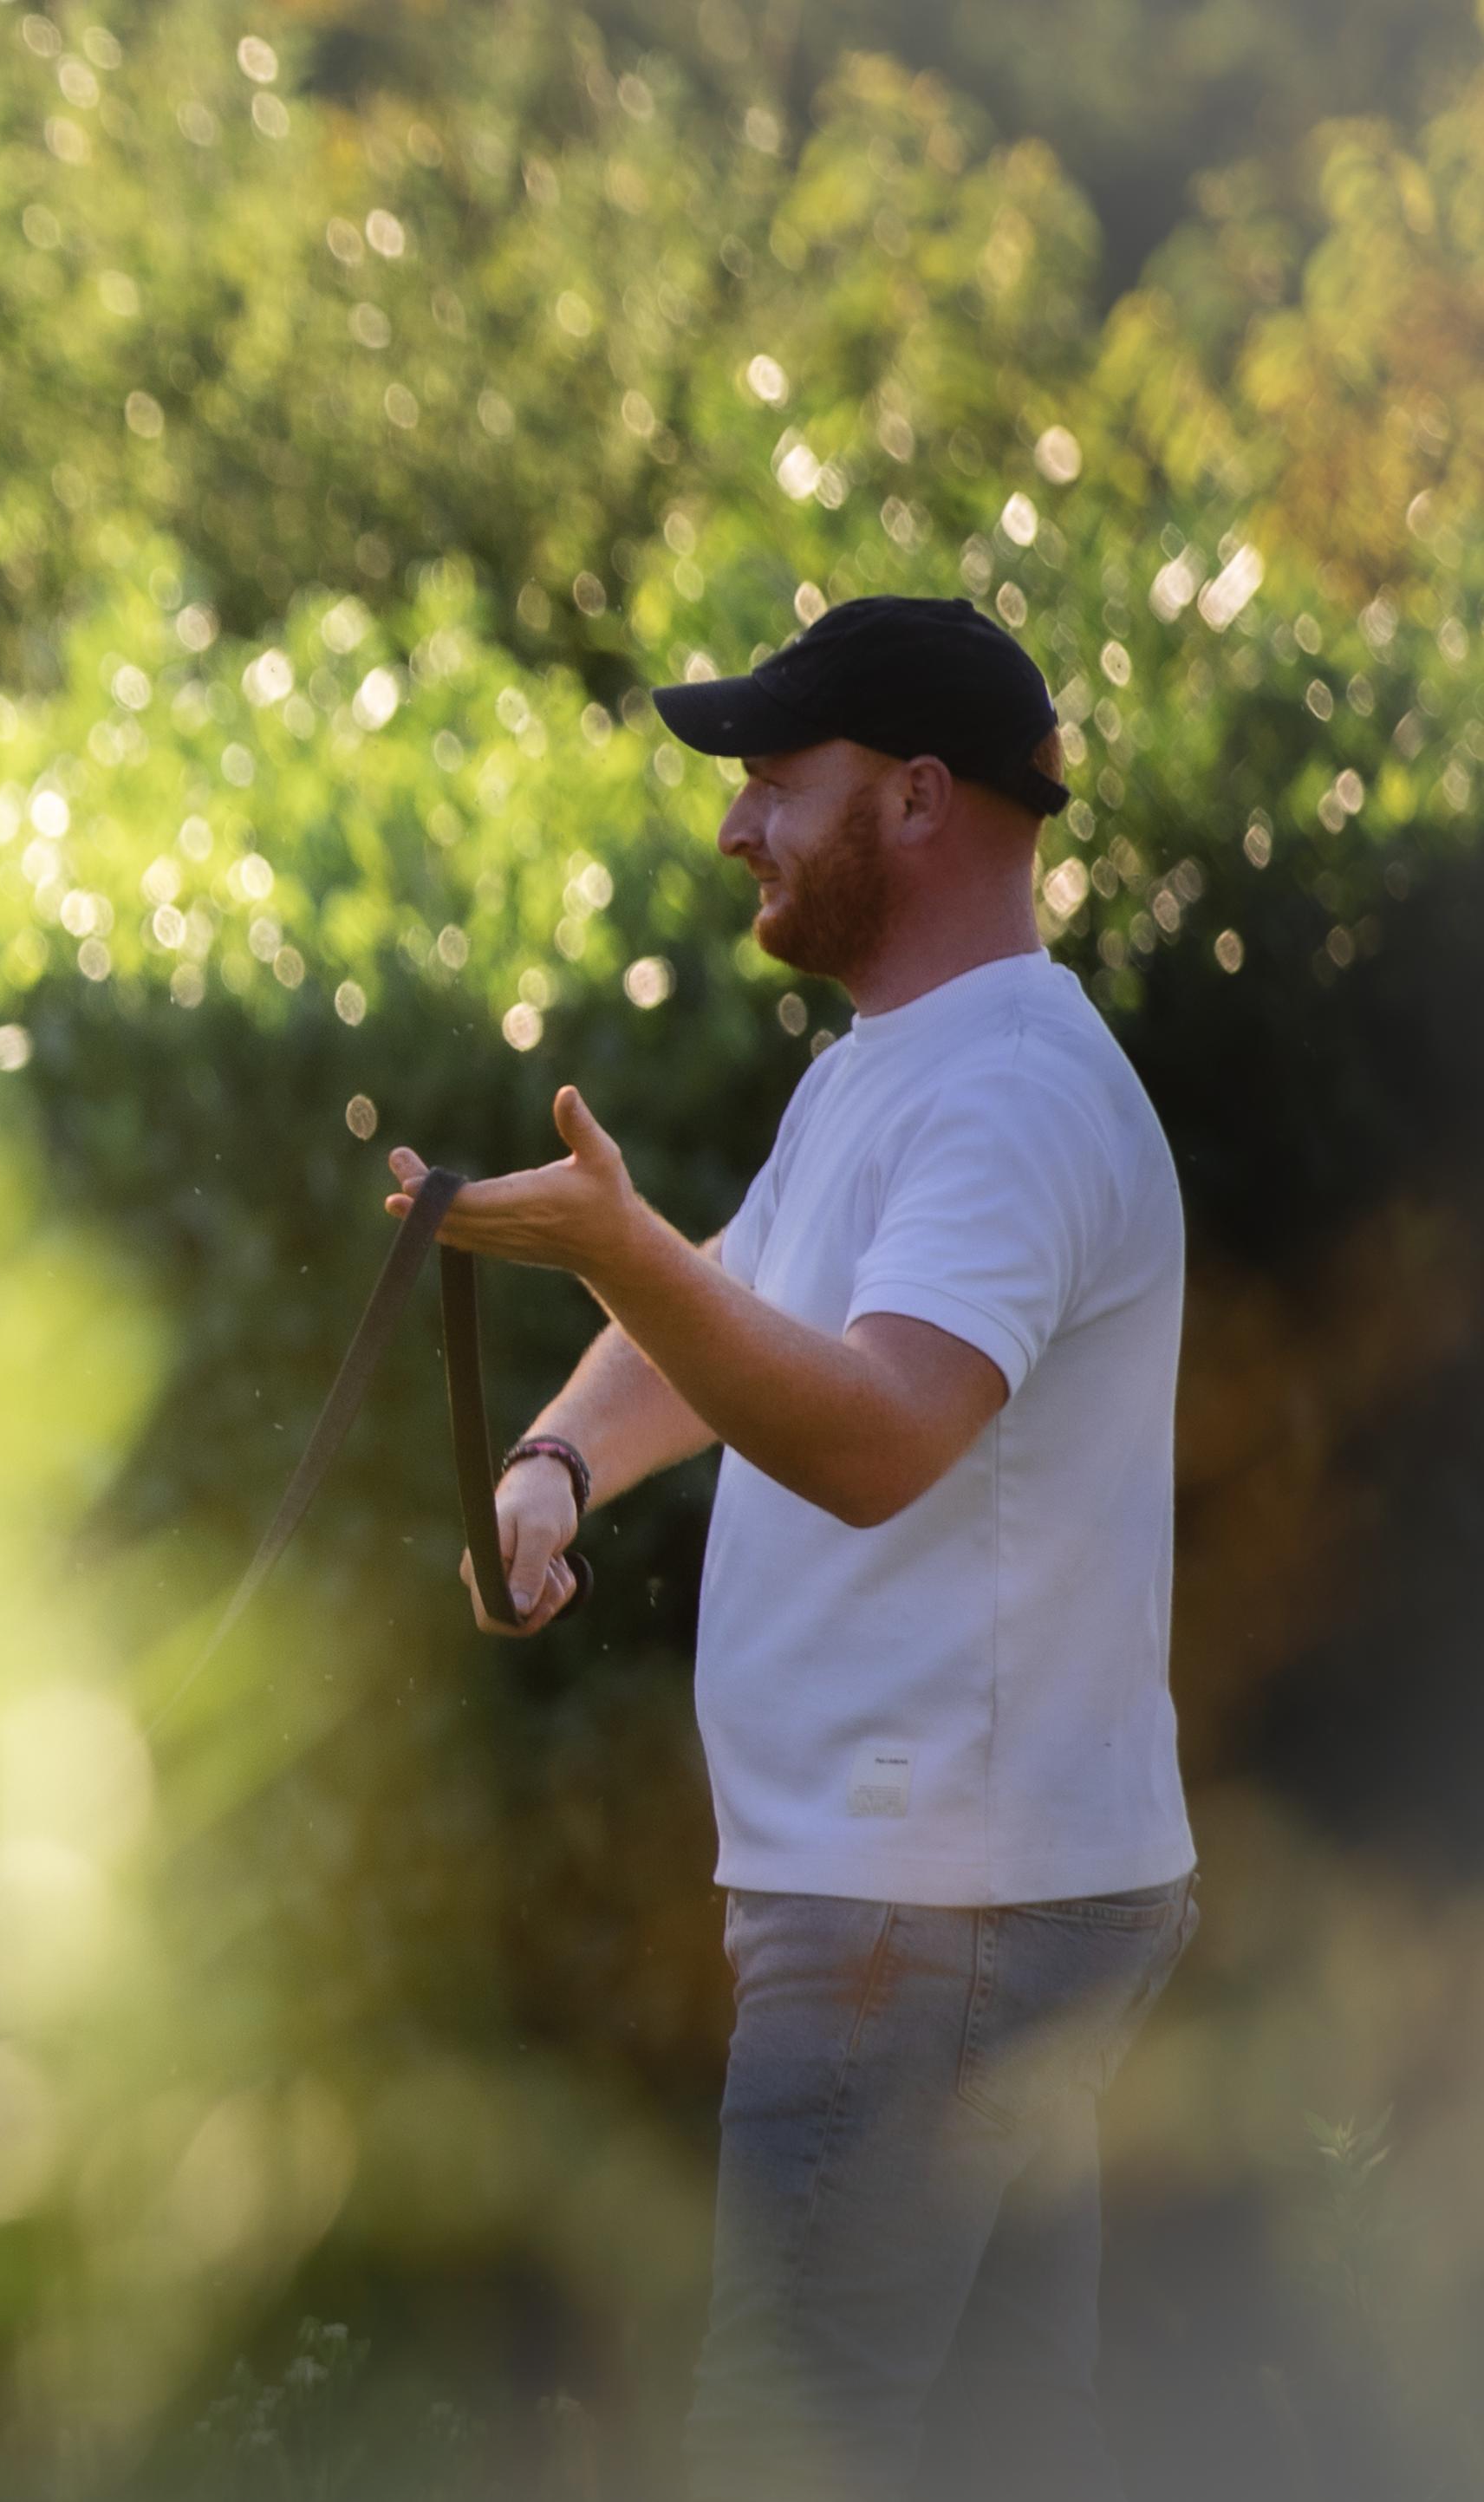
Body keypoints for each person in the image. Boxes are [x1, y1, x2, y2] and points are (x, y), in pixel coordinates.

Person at [385, 596, 1196, 2501]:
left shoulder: (1003, 1097)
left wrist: (612, 1242)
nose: (735, 826)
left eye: (772, 782)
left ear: (913, 801)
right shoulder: (891, 1067)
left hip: (922, 1915)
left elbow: (881, 1435)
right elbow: (743, 1307)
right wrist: (555, 1467)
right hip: (969, 1900)